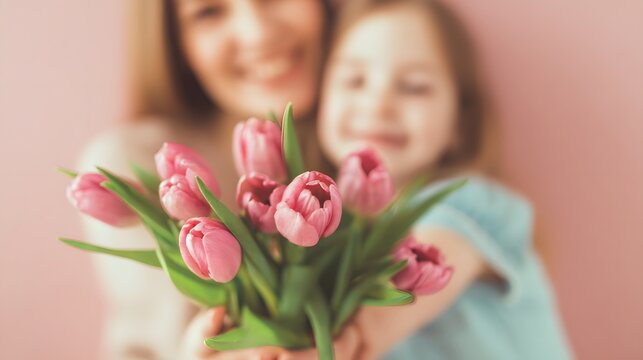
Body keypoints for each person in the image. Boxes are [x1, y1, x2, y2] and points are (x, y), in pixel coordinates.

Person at [185, 0, 574, 358]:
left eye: (414, 87)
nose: (378, 103)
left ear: (459, 122)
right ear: (323, 101)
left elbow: (403, 283)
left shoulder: (475, 204)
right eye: (354, 81)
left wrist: (348, 339)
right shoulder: (312, 247)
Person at [76, 1, 331, 359]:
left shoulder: (386, 139)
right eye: (208, 12)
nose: (257, 32)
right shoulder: (135, 161)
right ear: (174, 43)